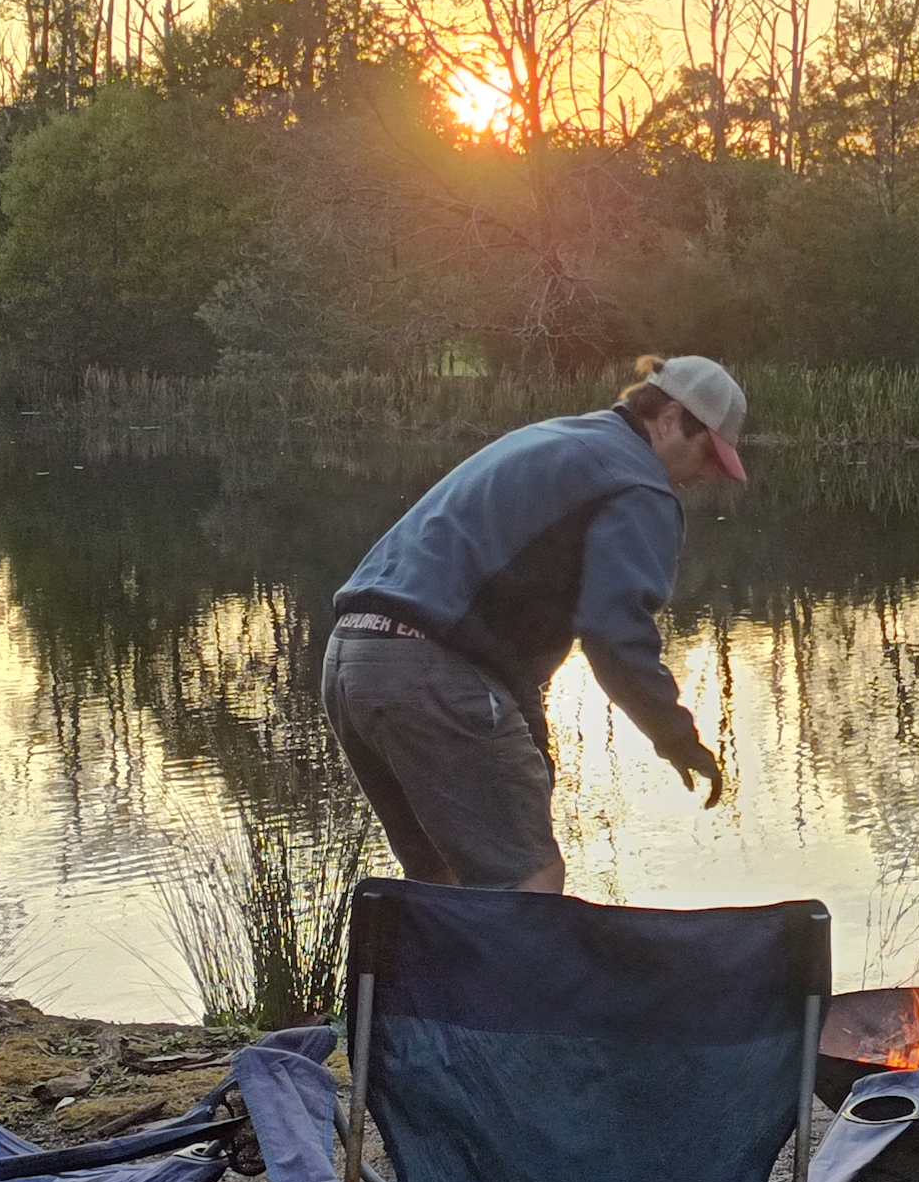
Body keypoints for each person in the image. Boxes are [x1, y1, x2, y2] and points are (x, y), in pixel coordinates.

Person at [320, 354, 746, 893]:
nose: (708, 476)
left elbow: (497, 626)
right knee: (528, 883)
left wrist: (532, 739)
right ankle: (518, 980)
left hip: (352, 659)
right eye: (709, 453)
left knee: (442, 885)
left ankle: (427, 981)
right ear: (668, 419)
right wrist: (676, 737)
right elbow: (614, 638)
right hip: (430, 672)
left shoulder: (562, 439)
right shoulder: (639, 485)